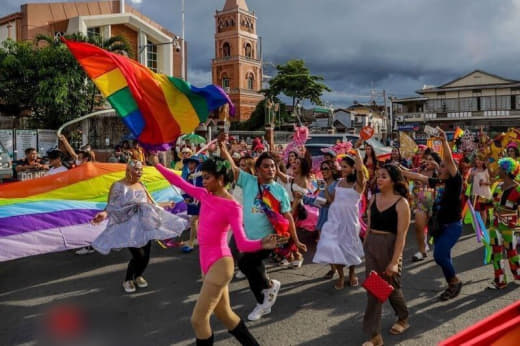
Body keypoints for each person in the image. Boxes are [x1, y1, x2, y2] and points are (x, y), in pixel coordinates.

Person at [155, 159, 285, 346]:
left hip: (220, 264)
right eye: (203, 178)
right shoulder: (204, 195)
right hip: (205, 263)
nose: (203, 182)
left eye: (207, 177)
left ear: (221, 179)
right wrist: (156, 164)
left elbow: (242, 244)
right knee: (225, 314)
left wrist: (262, 243)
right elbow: (179, 182)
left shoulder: (233, 207)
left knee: (198, 320)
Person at [219, 135, 306, 321]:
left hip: (269, 239)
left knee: (248, 264)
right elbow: (232, 168)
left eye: (273, 166)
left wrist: (296, 241)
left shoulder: (279, 190)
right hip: (246, 236)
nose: (271, 169)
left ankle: (267, 290)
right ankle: (265, 297)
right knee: (246, 266)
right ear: (257, 170)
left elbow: (288, 215)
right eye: (266, 166)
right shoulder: (249, 181)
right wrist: (222, 146)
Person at [91, 160, 188, 293]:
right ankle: (128, 279)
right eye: (137, 170)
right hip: (128, 225)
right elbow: (112, 205)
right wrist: (104, 213)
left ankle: (138, 276)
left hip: (145, 223)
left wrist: (166, 203)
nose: (139, 172)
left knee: (146, 255)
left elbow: (149, 203)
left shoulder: (141, 184)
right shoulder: (118, 186)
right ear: (129, 170)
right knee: (138, 256)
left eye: (141, 170)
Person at [402, 127, 463, 301]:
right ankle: (451, 283)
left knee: (439, 255)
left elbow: (449, 161)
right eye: (441, 165)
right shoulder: (439, 181)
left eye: (443, 165)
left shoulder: (455, 181)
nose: (441, 166)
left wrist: (444, 141)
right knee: (443, 258)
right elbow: (420, 178)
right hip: (438, 226)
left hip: (452, 226)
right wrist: (399, 171)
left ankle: (454, 282)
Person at [362, 164, 411, 346]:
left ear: (393, 180)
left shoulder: (401, 203)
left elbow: (402, 235)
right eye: (378, 176)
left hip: (390, 247)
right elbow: (368, 227)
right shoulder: (373, 198)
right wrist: (365, 247)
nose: (379, 179)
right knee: (374, 291)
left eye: (383, 176)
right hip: (372, 246)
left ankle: (403, 318)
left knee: (391, 287)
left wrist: (395, 261)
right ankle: (375, 336)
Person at [312, 151, 367, 290]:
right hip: (334, 219)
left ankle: (352, 274)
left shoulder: (358, 183)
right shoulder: (339, 182)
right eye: (341, 166)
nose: (342, 169)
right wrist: (324, 188)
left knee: (350, 247)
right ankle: (341, 276)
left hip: (349, 220)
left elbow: (360, 171)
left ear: (353, 168)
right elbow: (332, 201)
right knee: (334, 247)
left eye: (345, 166)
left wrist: (358, 154)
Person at [487, 157, 520, 289]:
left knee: (512, 251)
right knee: (496, 253)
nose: (498, 170)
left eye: (500, 168)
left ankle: (518, 274)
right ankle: (500, 280)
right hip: (495, 226)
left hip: (509, 227)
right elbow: (492, 204)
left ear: (506, 171)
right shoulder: (497, 186)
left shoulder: (518, 189)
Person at [408, 150, 441, 262]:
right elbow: (411, 176)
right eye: (427, 159)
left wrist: (437, 166)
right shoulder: (420, 170)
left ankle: (440, 250)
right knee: (419, 226)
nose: (428, 162)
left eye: (431, 160)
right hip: (422, 199)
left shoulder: (440, 172)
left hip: (437, 202)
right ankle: (422, 251)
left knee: (437, 229)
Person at [181, 155, 204, 253]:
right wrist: (186, 197)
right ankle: (199, 241)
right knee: (195, 221)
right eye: (188, 163)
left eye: (192, 163)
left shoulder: (201, 173)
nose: (189, 165)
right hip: (193, 201)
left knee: (195, 221)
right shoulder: (189, 175)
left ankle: (191, 243)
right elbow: (185, 187)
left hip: (202, 201)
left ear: (196, 164)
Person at [469, 154, 492, 225]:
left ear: (483, 162)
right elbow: (468, 182)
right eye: (477, 159)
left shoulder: (486, 170)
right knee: (475, 212)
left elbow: (490, 182)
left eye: (480, 160)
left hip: (483, 194)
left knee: (483, 211)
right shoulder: (472, 170)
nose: (478, 161)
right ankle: (478, 228)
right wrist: (470, 175)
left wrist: (484, 183)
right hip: (475, 194)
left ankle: (483, 229)